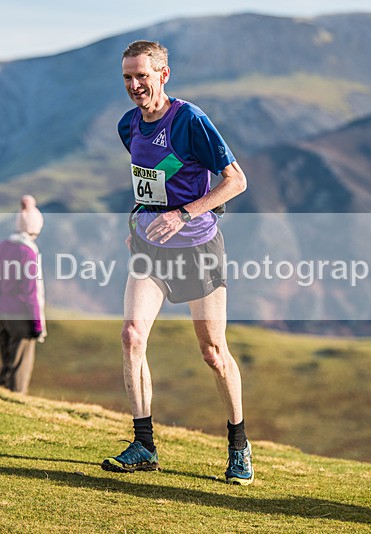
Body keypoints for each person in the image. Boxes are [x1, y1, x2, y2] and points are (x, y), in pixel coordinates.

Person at [100, 41, 252, 485]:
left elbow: (236, 182)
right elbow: (154, 180)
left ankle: (239, 445)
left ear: (164, 74)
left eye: (142, 76)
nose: (134, 85)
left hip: (198, 249)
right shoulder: (128, 126)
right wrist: (139, 222)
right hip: (150, 250)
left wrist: (183, 214)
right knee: (131, 336)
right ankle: (144, 445)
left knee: (213, 353)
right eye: (127, 77)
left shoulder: (190, 120)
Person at [0, 195, 46, 394]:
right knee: (20, 367)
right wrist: (37, 324)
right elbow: (31, 292)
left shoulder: (4, 245)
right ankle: (15, 404)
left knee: (7, 361)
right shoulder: (29, 252)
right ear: (35, 228)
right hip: (21, 316)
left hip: (3, 312)